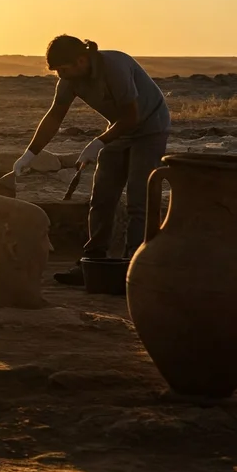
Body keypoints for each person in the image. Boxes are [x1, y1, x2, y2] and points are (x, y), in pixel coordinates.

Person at [12, 35, 170, 286]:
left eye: (64, 69)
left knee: (139, 199)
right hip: (118, 131)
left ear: (82, 60)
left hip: (150, 128)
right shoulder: (69, 79)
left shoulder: (115, 67)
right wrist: (30, 154)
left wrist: (99, 143)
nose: (61, 75)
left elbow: (132, 116)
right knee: (101, 198)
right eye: (57, 72)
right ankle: (92, 261)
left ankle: (135, 267)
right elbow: (55, 116)